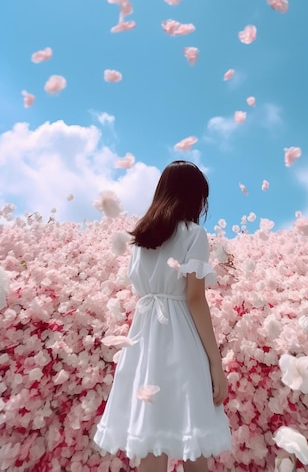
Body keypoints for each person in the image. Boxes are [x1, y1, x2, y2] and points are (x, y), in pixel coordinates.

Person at [93, 160, 231, 472]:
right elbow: (195, 299)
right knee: (194, 438)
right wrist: (215, 363)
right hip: (181, 339)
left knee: (151, 437)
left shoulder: (140, 240)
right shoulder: (194, 235)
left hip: (144, 340)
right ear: (194, 196)